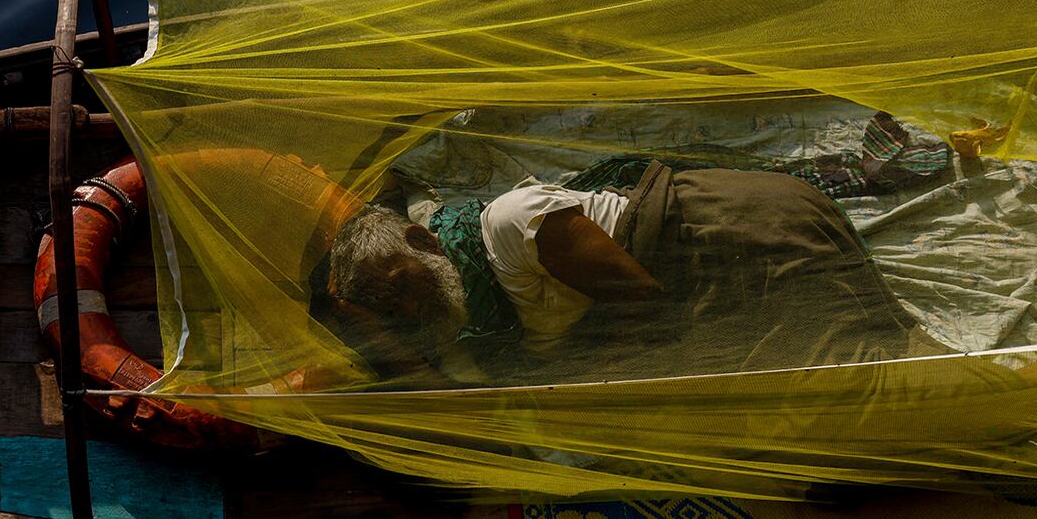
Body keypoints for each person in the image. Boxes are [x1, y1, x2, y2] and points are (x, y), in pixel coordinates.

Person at [320, 123, 949, 384]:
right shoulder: (473, 313)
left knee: (869, 365)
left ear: (424, 240)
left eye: (400, 280)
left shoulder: (513, 225)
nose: (407, 299)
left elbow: (644, 295)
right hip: (717, 262)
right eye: (391, 302)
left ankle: (1023, 409)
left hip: (732, 235)